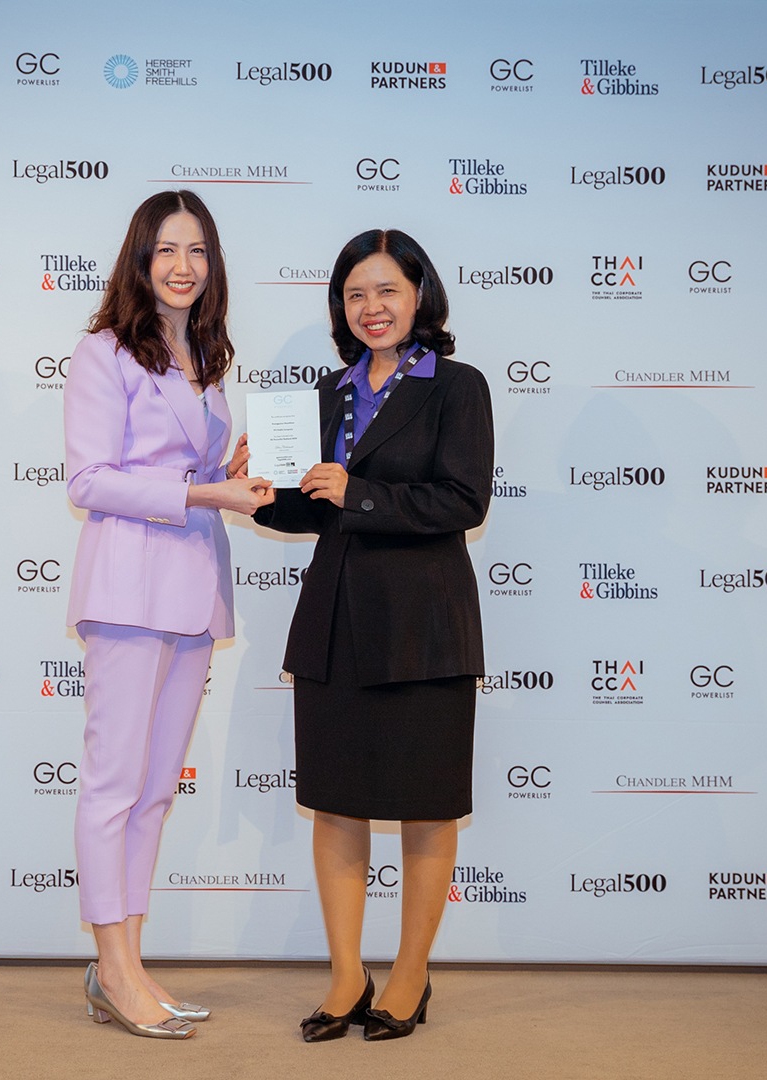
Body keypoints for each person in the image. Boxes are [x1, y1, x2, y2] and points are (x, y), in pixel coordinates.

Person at [251, 228, 493, 1042]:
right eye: (355, 294)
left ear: (420, 294)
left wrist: (357, 492)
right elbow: (308, 509)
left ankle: (410, 975)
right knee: (336, 804)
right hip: (336, 620)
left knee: (425, 807)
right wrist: (260, 489)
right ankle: (346, 975)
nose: (371, 307)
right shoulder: (328, 392)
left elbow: (462, 501)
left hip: (424, 623)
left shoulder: (456, 387)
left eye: (386, 289)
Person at [64, 190, 272, 1040]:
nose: (183, 266)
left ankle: (129, 964)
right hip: (125, 587)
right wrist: (204, 491)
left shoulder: (205, 356)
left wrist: (230, 472)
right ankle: (112, 970)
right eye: (166, 250)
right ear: (140, 259)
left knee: (152, 793)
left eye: (197, 251)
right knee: (114, 786)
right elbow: (89, 479)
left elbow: (188, 472)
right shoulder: (103, 351)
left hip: (191, 588)